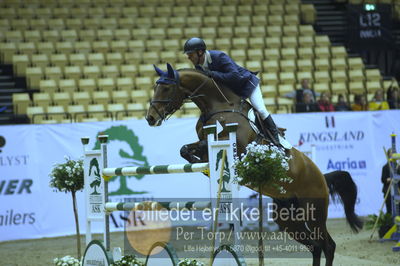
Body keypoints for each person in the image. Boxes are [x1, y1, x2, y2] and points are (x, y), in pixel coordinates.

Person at [183, 37, 281, 145]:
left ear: (200, 52)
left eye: (190, 54)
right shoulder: (199, 67)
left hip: (247, 84)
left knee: (260, 109)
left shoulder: (219, 57)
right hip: (233, 92)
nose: (188, 57)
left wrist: (213, 74)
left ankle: (275, 136)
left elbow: (235, 76)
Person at [381, 148, 400, 214]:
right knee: (389, 209)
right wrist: (390, 179)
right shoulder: (385, 167)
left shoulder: (398, 167)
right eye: (391, 152)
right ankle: (390, 222)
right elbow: (383, 179)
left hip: (398, 190)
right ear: (388, 155)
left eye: (394, 152)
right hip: (388, 190)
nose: (393, 154)